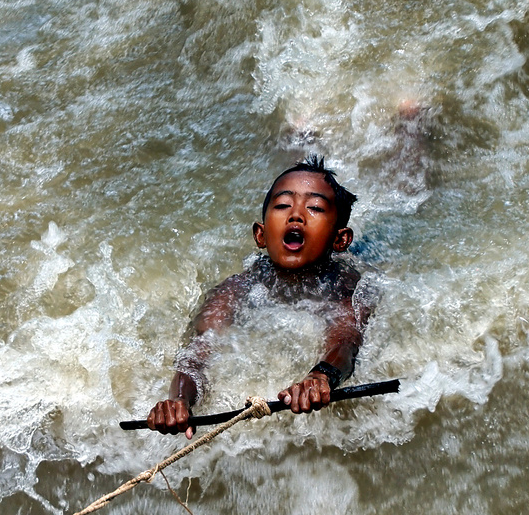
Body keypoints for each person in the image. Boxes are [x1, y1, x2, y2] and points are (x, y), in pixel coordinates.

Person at [146, 157, 375, 437]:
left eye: (314, 208)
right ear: (261, 234)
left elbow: (345, 340)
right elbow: (196, 354)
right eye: (282, 206)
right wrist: (179, 400)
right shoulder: (238, 287)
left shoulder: (347, 286)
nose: (296, 216)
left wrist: (321, 376)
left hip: (368, 251)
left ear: (340, 239)